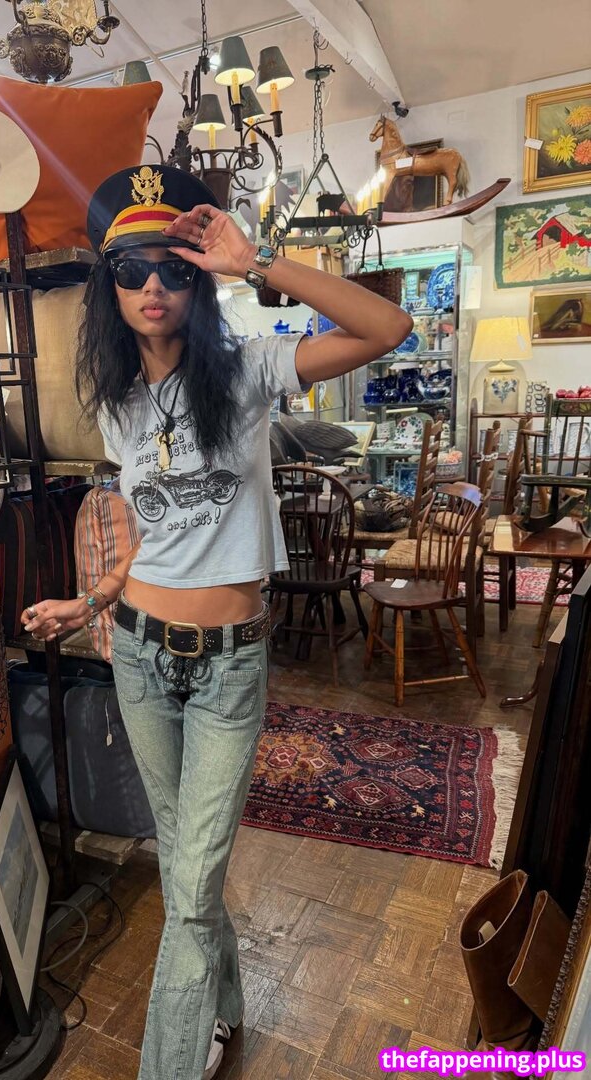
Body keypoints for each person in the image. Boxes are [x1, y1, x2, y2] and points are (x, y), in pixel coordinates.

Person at [22, 165, 412, 1079]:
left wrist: (258, 262)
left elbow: (387, 329)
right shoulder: (116, 404)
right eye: (132, 270)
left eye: (175, 267)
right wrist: (94, 599)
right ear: (111, 287)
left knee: (191, 886)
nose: (154, 285)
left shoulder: (248, 371)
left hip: (229, 667)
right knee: (187, 868)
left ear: (199, 280)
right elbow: (142, 536)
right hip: (141, 657)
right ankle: (225, 1011)